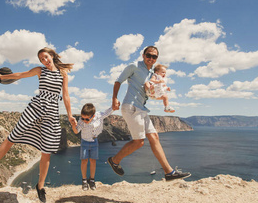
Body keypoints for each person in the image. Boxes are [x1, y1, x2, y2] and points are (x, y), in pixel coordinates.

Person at [0, 47, 77, 203]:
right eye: (41, 59)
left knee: (46, 151)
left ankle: (40, 186)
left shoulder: (63, 74)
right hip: (36, 107)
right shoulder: (40, 71)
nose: (44, 61)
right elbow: (21, 75)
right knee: (12, 137)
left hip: (51, 112)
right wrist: (4, 77)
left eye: (45, 57)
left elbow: (66, 96)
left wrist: (70, 115)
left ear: (51, 55)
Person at [108, 46, 191, 181]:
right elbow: (118, 81)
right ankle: (114, 160)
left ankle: (169, 172)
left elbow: (152, 89)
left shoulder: (152, 72)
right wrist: (114, 98)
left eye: (154, 57)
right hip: (131, 107)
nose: (151, 58)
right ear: (143, 55)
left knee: (154, 137)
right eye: (149, 55)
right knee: (139, 142)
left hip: (142, 108)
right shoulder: (134, 66)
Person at [71, 103, 115, 191]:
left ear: (93, 116)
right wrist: (73, 125)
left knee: (93, 161)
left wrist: (114, 106)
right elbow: (76, 131)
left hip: (94, 142)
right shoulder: (81, 121)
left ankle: (91, 180)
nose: (84, 120)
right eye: (82, 118)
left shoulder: (99, 116)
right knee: (84, 161)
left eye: (86, 119)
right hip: (84, 142)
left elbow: (108, 112)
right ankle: (84, 180)